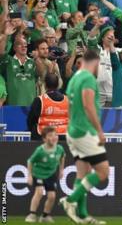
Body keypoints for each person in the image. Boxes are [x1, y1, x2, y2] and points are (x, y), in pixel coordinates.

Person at [60, 49, 108, 225]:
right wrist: (99, 130)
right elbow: (89, 106)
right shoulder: (88, 78)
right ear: (94, 62)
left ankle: (83, 215)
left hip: (73, 130)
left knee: (83, 172)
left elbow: (70, 107)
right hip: (85, 130)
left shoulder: (74, 78)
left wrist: (71, 124)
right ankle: (70, 200)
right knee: (103, 171)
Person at [25, 126, 65, 223]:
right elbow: (30, 161)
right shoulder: (40, 150)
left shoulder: (60, 148)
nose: (54, 137)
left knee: (52, 196)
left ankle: (45, 216)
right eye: (50, 135)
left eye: (55, 135)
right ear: (44, 139)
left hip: (51, 175)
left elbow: (63, 157)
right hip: (38, 174)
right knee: (39, 192)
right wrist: (29, 175)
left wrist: (61, 170)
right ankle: (32, 214)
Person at [27, 73, 68, 140]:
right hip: (64, 137)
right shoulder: (67, 100)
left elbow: (30, 120)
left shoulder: (40, 100)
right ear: (57, 85)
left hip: (43, 137)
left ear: (45, 85)